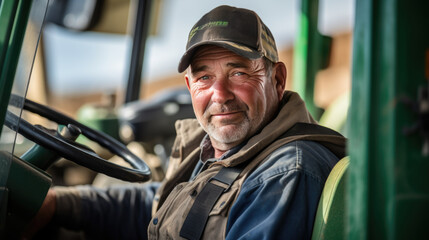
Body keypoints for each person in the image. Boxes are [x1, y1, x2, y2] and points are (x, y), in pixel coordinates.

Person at [24, 5, 346, 240]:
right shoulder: (220, 149)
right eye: (205, 77)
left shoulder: (284, 175)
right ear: (190, 88)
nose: (220, 94)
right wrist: (60, 203)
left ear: (276, 80)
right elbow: (160, 202)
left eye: (238, 73)